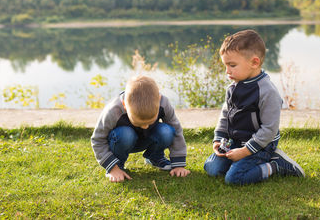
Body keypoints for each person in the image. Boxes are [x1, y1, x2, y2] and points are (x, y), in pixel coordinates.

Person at [204, 29, 305, 184]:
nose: (227, 71)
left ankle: (276, 164)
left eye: (232, 65)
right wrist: (219, 139)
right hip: (237, 141)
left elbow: (269, 130)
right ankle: (239, 162)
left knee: (234, 179)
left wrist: (245, 152)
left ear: (254, 62)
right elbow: (225, 115)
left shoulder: (267, 92)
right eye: (225, 65)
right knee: (212, 168)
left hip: (262, 144)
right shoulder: (233, 87)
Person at [91, 75, 190, 183]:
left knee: (167, 131)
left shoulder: (163, 103)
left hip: (149, 138)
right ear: (125, 106)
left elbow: (177, 129)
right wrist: (112, 168)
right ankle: (118, 165)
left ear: (159, 100)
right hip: (122, 140)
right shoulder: (113, 111)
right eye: (138, 122)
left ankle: (155, 157)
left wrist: (178, 165)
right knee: (125, 134)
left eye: (150, 121)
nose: (145, 127)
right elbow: (98, 140)